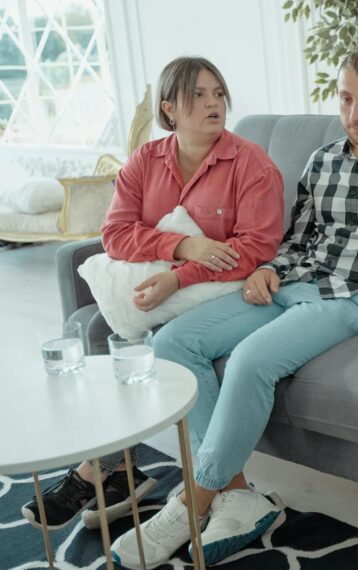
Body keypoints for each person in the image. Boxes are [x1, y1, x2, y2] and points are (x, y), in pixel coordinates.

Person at [111, 29, 358, 568]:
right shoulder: (322, 161)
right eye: (345, 99)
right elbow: (295, 241)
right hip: (294, 285)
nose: (354, 114)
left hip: (356, 299)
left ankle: (191, 501)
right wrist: (268, 270)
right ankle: (237, 495)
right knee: (173, 343)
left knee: (250, 361)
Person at [21, 56, 285, 532]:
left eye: (218, 94)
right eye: (198, 95)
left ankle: (184, 480)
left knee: (122, 333)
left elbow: (256, 249)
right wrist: (182, 244)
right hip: (164, 285)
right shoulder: (145, 161)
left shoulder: (252, 165)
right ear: (169, 108)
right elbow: (115, 234)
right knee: (98, 328)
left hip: (222, 291)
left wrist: (179, 276)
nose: (213, 103)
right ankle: (116, 468)